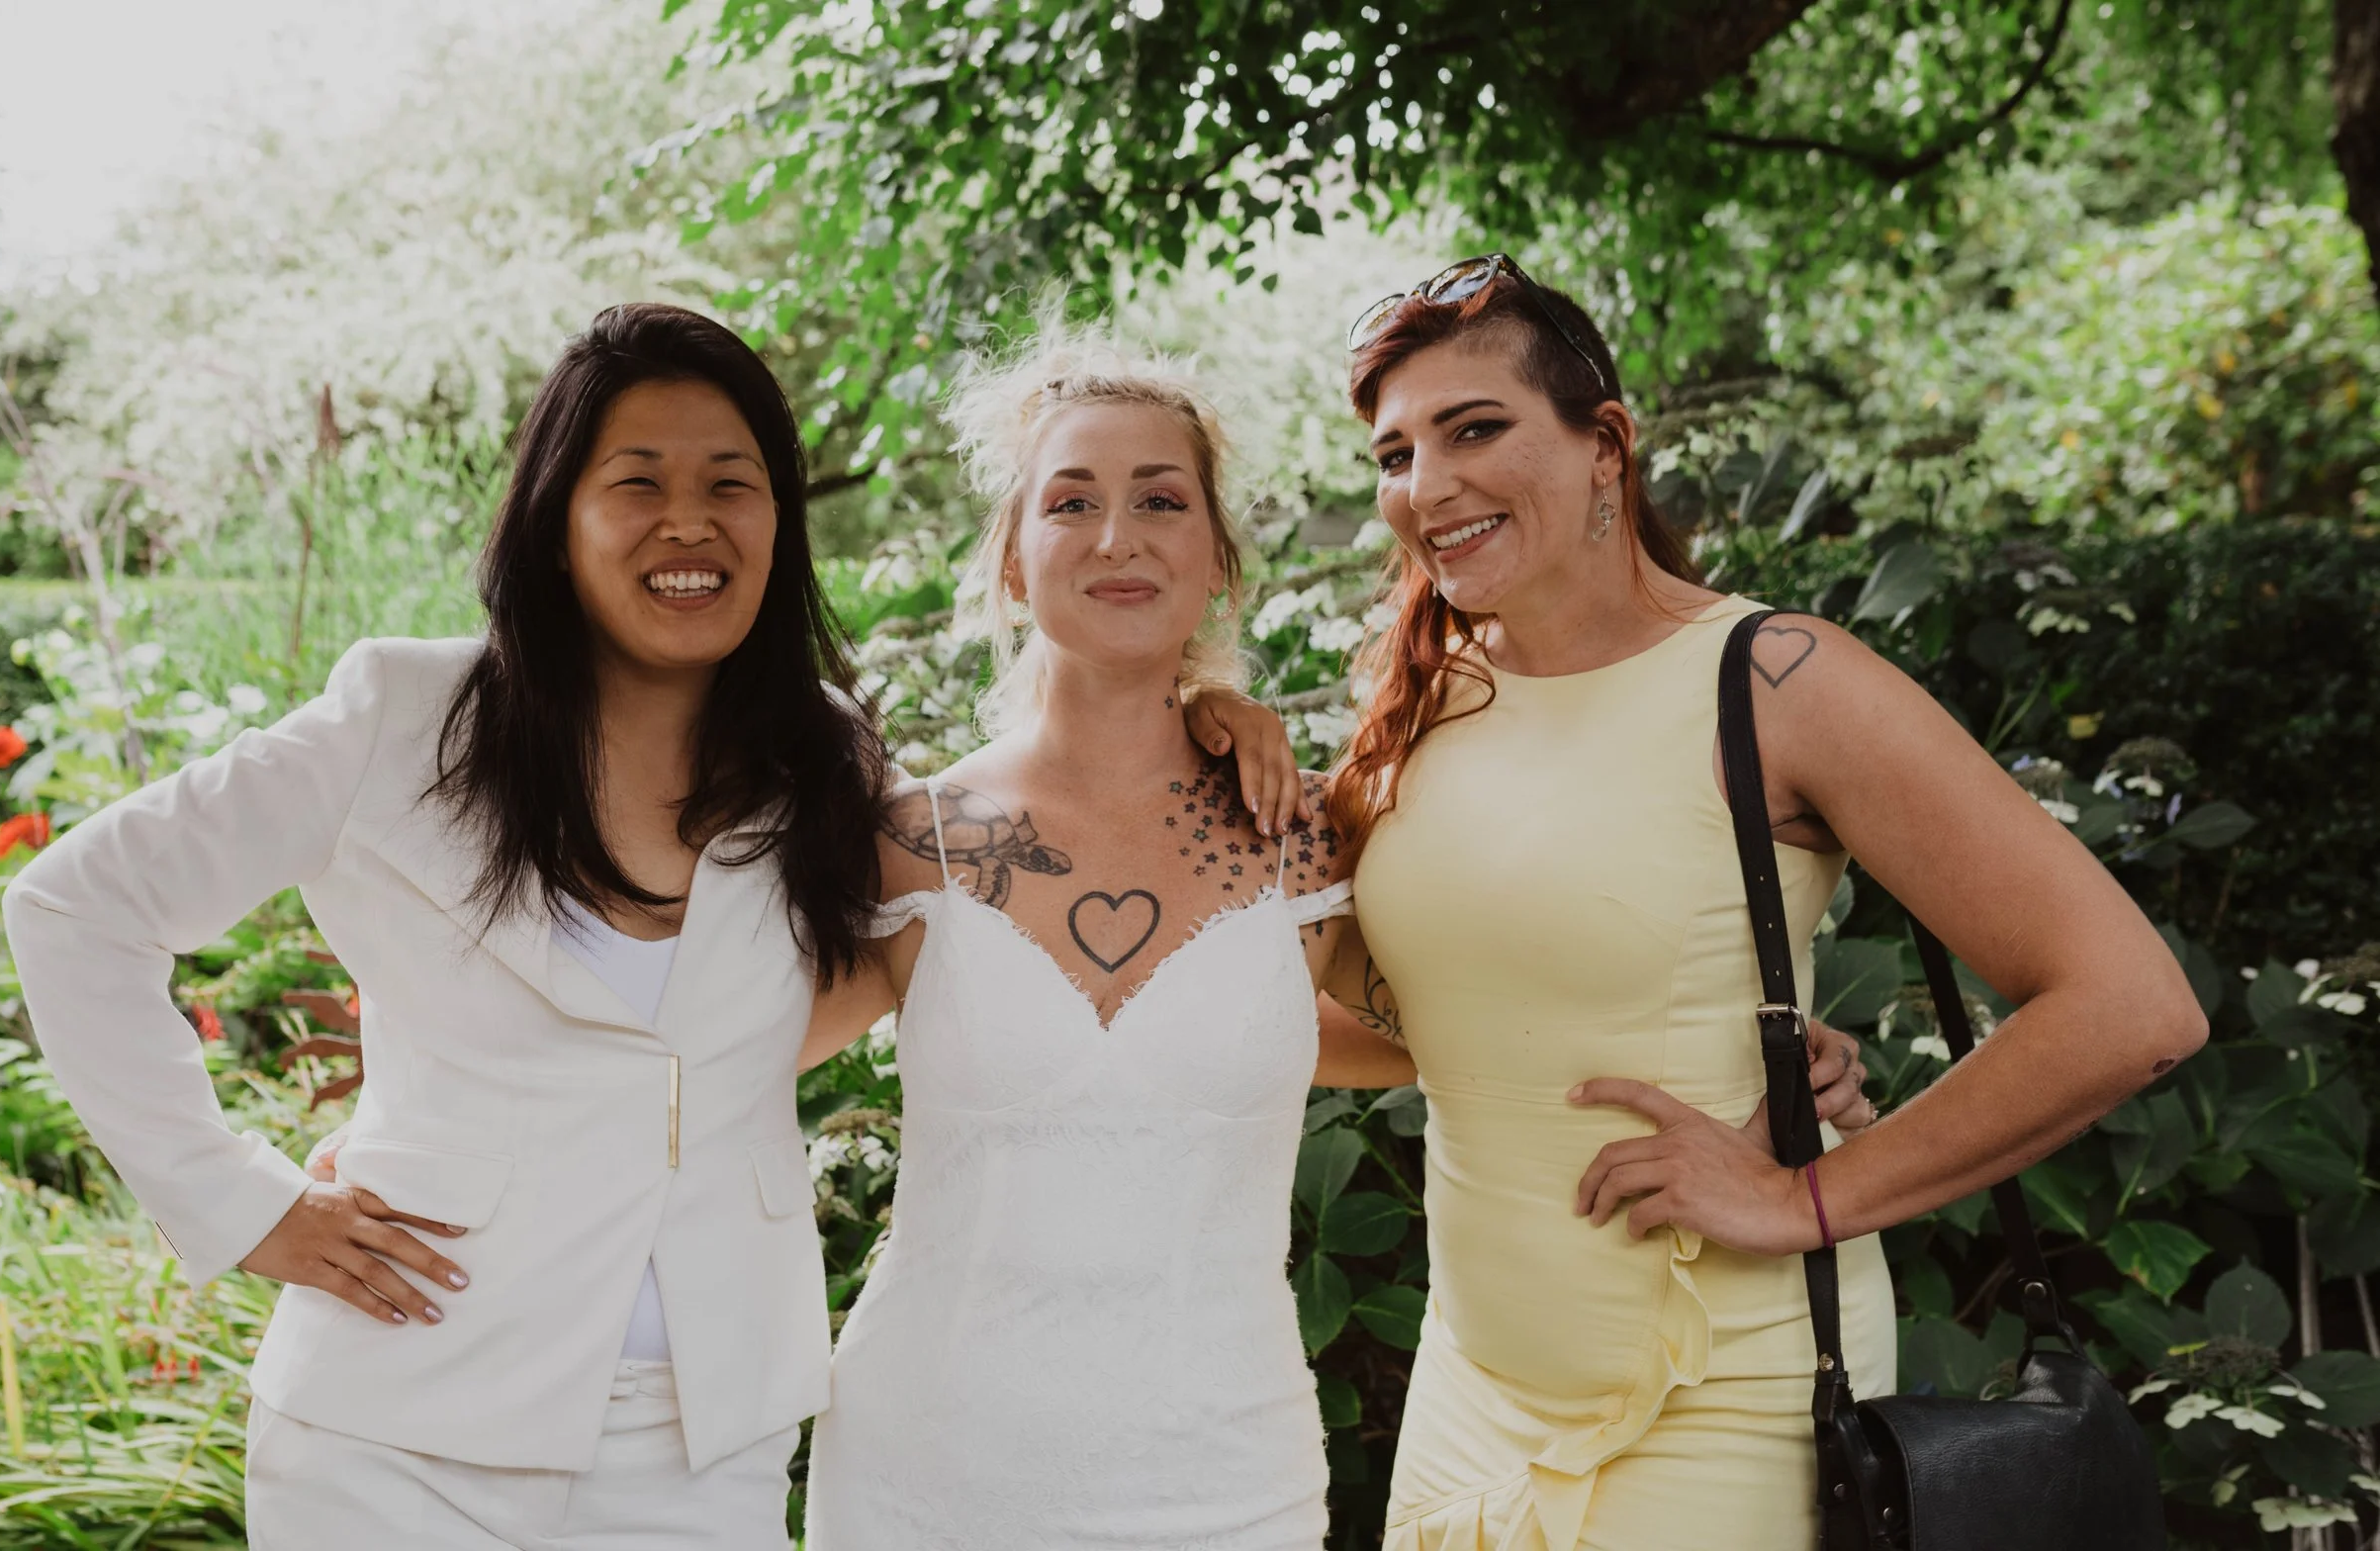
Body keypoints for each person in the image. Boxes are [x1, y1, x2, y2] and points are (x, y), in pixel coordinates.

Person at [1326, 255, 2209, 1551]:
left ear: (1605, 446)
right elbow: (1431, 1027)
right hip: (1471, 1392)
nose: (1429, 486)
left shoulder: (1776, 679)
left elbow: (2132, 1006)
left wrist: (1807, 1199)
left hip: (1722, 1385)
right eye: (1395, 453)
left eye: (1475, 428)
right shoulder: (1423, 702)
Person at [3, 303, 893, 1549]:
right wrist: (239, 1201)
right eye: (637, 481)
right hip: (397, 1433)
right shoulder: (404, 716)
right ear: (557, 518)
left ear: (777, 522)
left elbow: (976, 880)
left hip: (709, 1439)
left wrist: (1198, 713)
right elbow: (73, 906)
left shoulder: (825, 756)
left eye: (730, 484)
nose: (689, 522)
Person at [791, 331, 1418, 1549]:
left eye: (1161, 500)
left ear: (1217, 560)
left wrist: (1746, 1044)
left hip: (1226, 1476)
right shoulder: (907, 838)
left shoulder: (1306, 841)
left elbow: (1460, 1036)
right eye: (1070, 501)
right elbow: (721, 1043)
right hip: (925, 1470)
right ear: (1015, 564)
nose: (1117, 536)